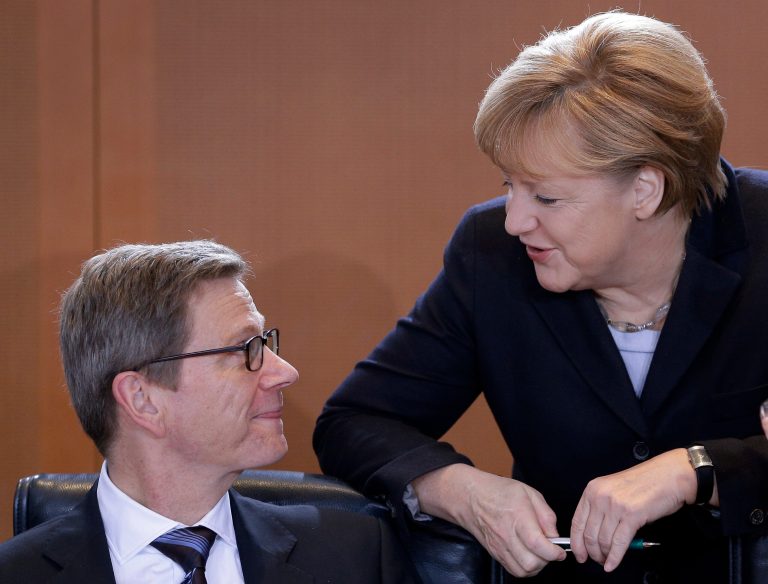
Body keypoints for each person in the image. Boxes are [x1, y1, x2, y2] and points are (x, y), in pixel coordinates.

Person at [314, 11, 768, 582]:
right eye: (510, 185)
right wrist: (461, 490)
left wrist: (697, 471)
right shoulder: (491, 257)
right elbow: (355, 420)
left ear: (646, 189)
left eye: (546, 198)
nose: (514, 220)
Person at [0, 241, 419, 583]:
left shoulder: (355, 557)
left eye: (266, 343)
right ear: (143, 399)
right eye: (245, 351)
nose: (285, 373)